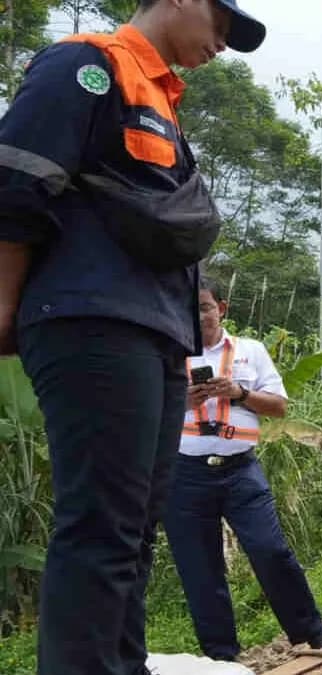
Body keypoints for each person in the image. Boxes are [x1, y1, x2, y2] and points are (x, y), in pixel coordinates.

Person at [0, 2, 264, 672]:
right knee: (101, 524)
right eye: (220, 23)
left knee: (135, 528)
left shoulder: (163, 103)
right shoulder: (87, 67)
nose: (222, 45)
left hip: (155, 333)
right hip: (93, 322)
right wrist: (3, 304)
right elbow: (16, 185)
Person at [165, 278, 322, 661]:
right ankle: (222, 656)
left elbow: (278, 407)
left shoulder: (250, 351)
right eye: (190, 308)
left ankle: (313, 632)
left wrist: (239, 393)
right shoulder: (169, 355)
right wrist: (183, 402)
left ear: (221, 309)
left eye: (205, 306)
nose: (199, 315)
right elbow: (146, 409)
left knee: (271, 550)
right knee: (200, 570)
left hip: (240, 470)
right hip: (184, 475)